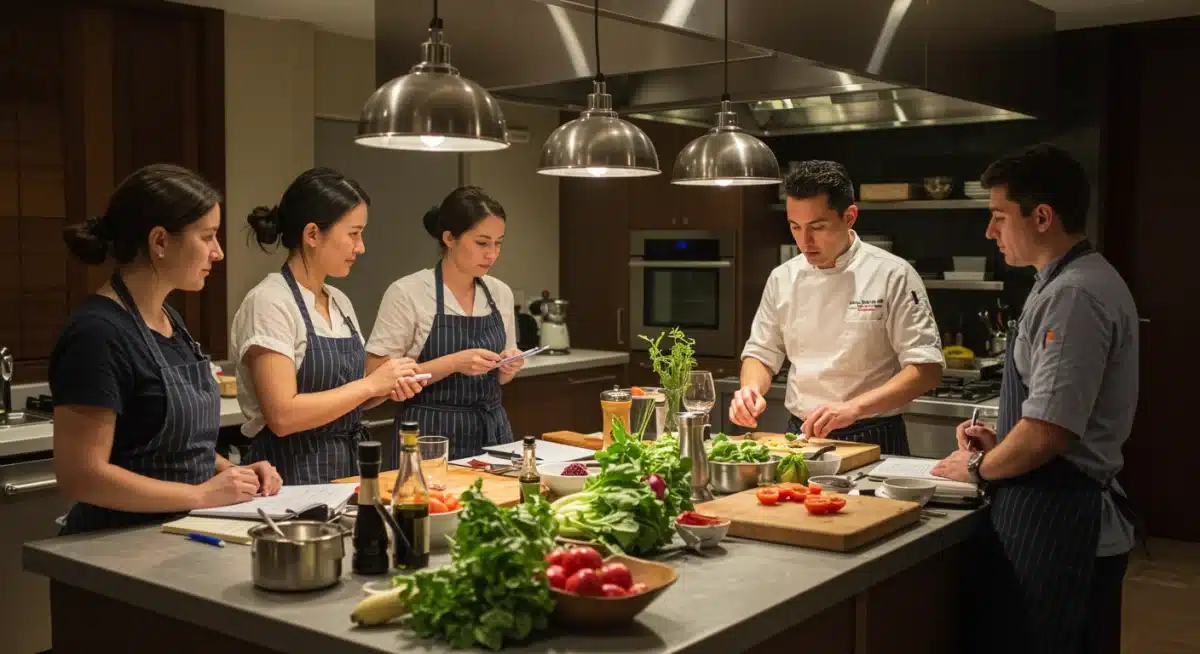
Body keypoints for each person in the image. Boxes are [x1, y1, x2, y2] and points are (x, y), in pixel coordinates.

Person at [932, 144, 1140, 654]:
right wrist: (1002, 442)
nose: (990, 231)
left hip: (1062, 524)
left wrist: (978, 468)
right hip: (1048, 513)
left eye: (999, 216)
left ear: (1042, 217)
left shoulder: (1074, 295)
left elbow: (1049, 431)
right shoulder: (1064, 283)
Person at [50, 163, 281, 535]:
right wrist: (201, 495)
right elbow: (82, 476)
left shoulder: (170, 320)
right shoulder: (97, 334)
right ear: (159, 241)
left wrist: (233, 474)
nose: (218, 253)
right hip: (114, 545)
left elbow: (178, 449)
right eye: (207, 237)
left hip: (175, 534)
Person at [729, 161, 944, 454]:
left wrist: (854, 408)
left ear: (849, 216)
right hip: (801, 434)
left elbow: (927, 369)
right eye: (795, 227)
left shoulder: (893, 274)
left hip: (874, 434)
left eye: (817, 227)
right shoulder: (783, 277)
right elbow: (761, 353)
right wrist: (750, 390)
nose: (804, 241)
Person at [231, 168, 425, 484]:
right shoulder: (269, 302)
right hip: (290, 475)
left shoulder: (339, 301)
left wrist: (386, 388)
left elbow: (348, 398)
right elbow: (282, 415)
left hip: (346, 469)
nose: (360, 247)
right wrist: (371, 385)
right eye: (353, 234)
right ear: (312, 234)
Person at [366, 186, 525, 461]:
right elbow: (376, 380)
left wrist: (509, 365)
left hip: (492, 434)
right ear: (449, 238)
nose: (492, 254)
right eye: (482, 243)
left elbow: (501, 378)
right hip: (427, 437)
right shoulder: (407, 293)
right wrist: (453, 363)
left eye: (498, 243)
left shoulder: (500, 293)